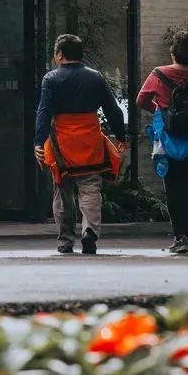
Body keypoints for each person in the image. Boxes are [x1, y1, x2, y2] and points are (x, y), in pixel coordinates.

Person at [32, 33, 127, 255]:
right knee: (91, 188)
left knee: (62, 190)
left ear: (59, 54)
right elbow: (112, 109)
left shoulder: (51, 79)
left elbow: (43, 112)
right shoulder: (95, 77)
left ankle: (65, 240)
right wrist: (120, 135)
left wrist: (38, 141)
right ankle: (89, 232)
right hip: (90, 141)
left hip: (61, 143)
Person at [135, 31, 188, 255]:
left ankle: (178, 235)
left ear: (173, 54)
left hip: (167, 138)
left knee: (172, 186)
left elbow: (141, 100)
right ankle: (187, 235)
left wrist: (162, 111)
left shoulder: (158, 74)